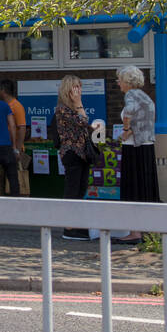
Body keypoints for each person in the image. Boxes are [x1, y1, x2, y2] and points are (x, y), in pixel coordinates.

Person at [117, 64, 160, 238]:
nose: (118, 83)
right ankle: (148, 230)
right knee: (145, 188)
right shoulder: (144, 96)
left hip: (134, 147)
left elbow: (128, 112)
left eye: (119, 79)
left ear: (127, 81)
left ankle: (135, 232)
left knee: (132, 187)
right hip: (147, 146)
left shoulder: (131, 95)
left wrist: (126, 130)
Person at [54, 74, 93, 240]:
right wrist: (79, 104)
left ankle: (76, 223)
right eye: (76, 87)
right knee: (72, 189)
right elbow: (83, 121)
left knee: (81, 188)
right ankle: (69, 227)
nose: (79, 91)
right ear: (68, 90)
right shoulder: (62, 109)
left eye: (80, 87)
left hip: (82, 153)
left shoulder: (73, 109)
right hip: (72, 153)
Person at [0, 79, 30, 196]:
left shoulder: (17, 106)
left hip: (13, 149)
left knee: (13, 179)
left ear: (3, 90)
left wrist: (17, 148)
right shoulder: (4, 106)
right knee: (2, 178)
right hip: (4, 147)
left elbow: (22, 128)